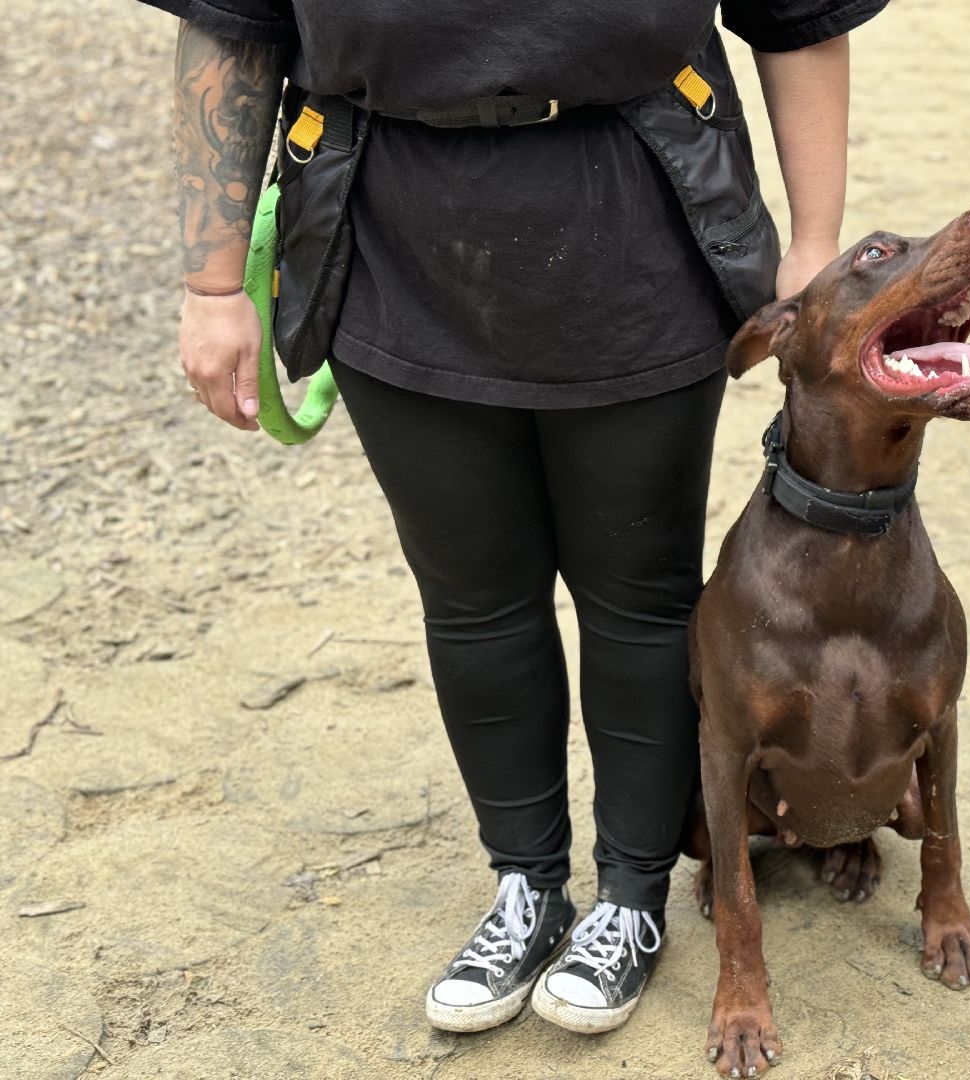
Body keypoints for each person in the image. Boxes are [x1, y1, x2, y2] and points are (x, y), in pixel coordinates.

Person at [144, 0, 885, 1037]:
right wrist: (213, 281)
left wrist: (813, 242)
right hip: (386, 233)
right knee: (472, 594)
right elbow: (231, 22)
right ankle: (525, 888)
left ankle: (631, 896)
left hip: (641, 219)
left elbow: (797, 11)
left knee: (638, 590)